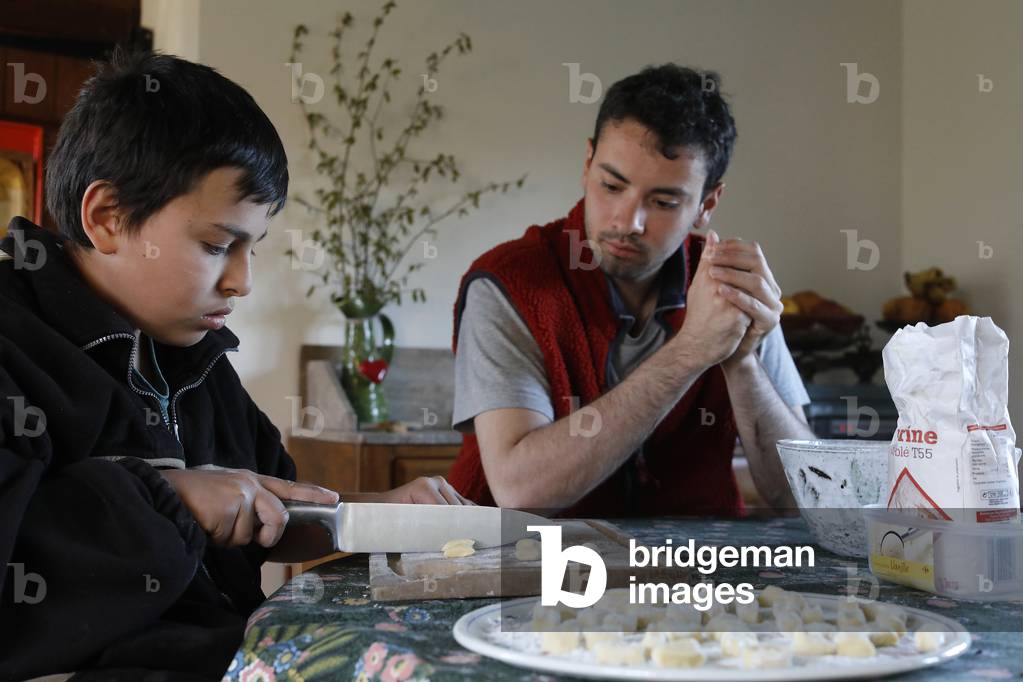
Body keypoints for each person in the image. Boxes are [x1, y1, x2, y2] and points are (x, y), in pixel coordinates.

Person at [0, 49, 468, 681]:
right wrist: (168, 499)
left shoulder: (192, 353)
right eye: (218, 245)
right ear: (107, 217)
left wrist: (373, 515)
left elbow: (267, 512)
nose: (243, 281)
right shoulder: (16, 345)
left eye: (253, 248)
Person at [448, 64, 815, 518]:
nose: (628, 222)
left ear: (707, 204)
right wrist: (689, 352)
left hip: (694, 571)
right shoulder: (508, 283)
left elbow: (802, 502)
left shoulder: (728, 288)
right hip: (520, 569)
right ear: (586, 166)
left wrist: (741, 359)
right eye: (611, 185)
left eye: (663, 202)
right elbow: (523, 492)